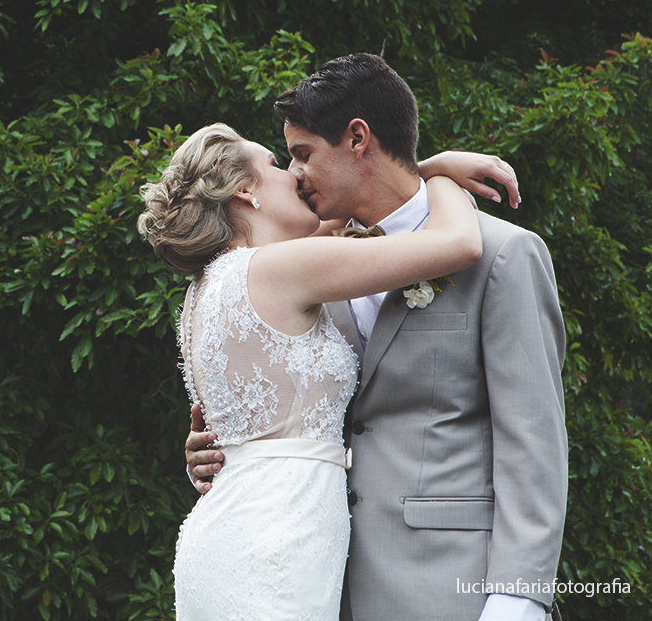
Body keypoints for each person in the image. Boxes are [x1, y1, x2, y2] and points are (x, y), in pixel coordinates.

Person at [183, 54, 567, 621]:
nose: (295, 175)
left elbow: (534, 440)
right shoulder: (313, 268)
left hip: (454, 585)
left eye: (303, 154)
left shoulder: (505, 255)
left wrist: (518, 597)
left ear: (358, 138)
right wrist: (228, 454)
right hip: (320, 578)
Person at [139, 119, 494, 620]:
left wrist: (417, 170)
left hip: (236, 533)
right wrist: (440, 180)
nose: (296, 175)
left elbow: (342, 221)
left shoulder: (208, 286)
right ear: (245, 190)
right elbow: (459, 243)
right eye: (276, 164)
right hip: (278, 545)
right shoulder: (279, 271)